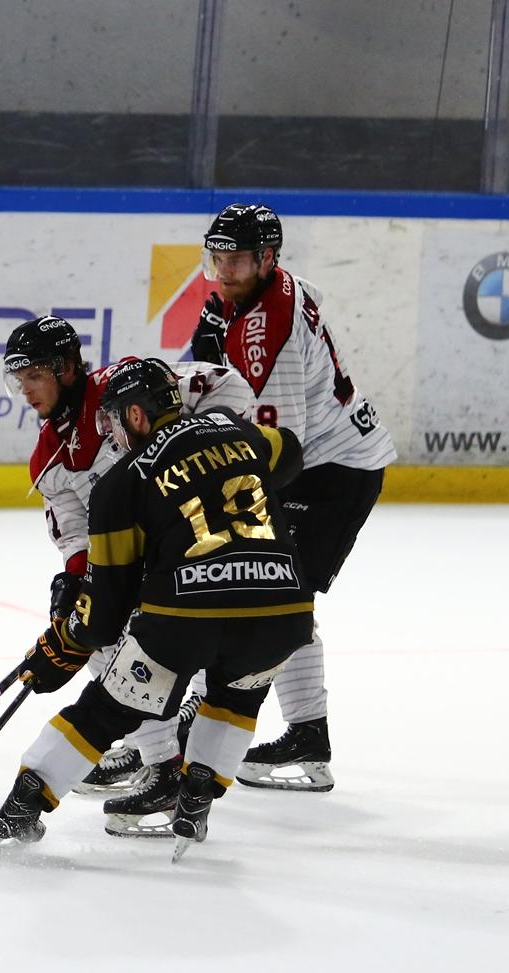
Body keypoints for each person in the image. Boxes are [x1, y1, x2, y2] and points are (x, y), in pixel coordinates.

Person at [0, 358, 311, 861]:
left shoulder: (120, 483)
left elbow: (104, 615)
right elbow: (290, 453)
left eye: (114, 418)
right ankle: (198, 793)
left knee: (106, 710)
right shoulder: (237, 430)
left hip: (183, 625)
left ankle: (24, 805)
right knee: (237, 697)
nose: (111, 431)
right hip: (281, 613)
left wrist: (61, 647)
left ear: (137, 415)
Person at [188, 203, 396, 791]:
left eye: (237, 260)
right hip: (327, 459)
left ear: (267, 258)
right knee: (277, 595)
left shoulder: (266, 333)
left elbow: (283, 447)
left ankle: (255, 724)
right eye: (218, 258)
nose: (224, 271)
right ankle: (306, 735)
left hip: (331, 469)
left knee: (270, 595)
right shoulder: (269, 287)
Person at [5, 317, 191, 813]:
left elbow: (225, 386)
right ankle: (162, 761)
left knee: (142, 649)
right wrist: (75, 579)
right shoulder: (48, 455)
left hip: (191, 543)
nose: (25, 393)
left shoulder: (123, 385)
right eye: (18, 382)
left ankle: (169, 754)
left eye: (33, 377)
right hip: (138, 561)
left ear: (65, 368)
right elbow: (74, 531)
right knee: (96, 635)